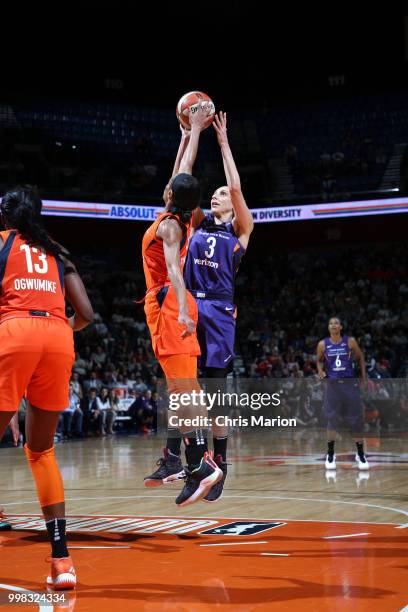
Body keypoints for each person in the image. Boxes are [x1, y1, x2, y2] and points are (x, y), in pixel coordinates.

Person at [145, 112, 253, 502]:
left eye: (221, 194)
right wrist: (191, 136)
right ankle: (180, 456)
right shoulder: (195, 223)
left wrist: (222, 142)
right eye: (215, 193)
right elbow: (177, 183)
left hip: (219, 313)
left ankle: (219, 464)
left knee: (214, 395)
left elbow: (238, 190)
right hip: (188, 303)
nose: (217, 196)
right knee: (182, 389)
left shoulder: (240, 231)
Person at [0, 186, 93, 589]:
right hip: (59, 338)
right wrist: (54, 329)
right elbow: (86, 314)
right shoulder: (57, 249)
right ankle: (62, 562)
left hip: (15, 331)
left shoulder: (2, 243)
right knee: (41, 451)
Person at [141, 104, 222, 506]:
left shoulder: (171, 226)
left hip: (171, 306)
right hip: (169, 307)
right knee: (182, 393)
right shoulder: (181, 215)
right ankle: (187, 462)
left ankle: (200, 464)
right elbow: (183, 170)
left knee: (183, 393)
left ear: (173, 194)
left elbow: (174, 269)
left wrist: (185, 312)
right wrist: (191, 133)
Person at [316, 317, 369, 471]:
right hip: (332, 387)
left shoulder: (350, 341)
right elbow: (319, 361)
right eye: (331, 323)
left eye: (336, 323)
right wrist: (320, 370)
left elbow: (361, 359)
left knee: (356, 421)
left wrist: (364, 378)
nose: (333, 325)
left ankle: (360, 454)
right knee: (332, 421)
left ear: (341, 326)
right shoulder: (322, 344)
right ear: (328, 327)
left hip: (349, 386)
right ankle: (330, 454)